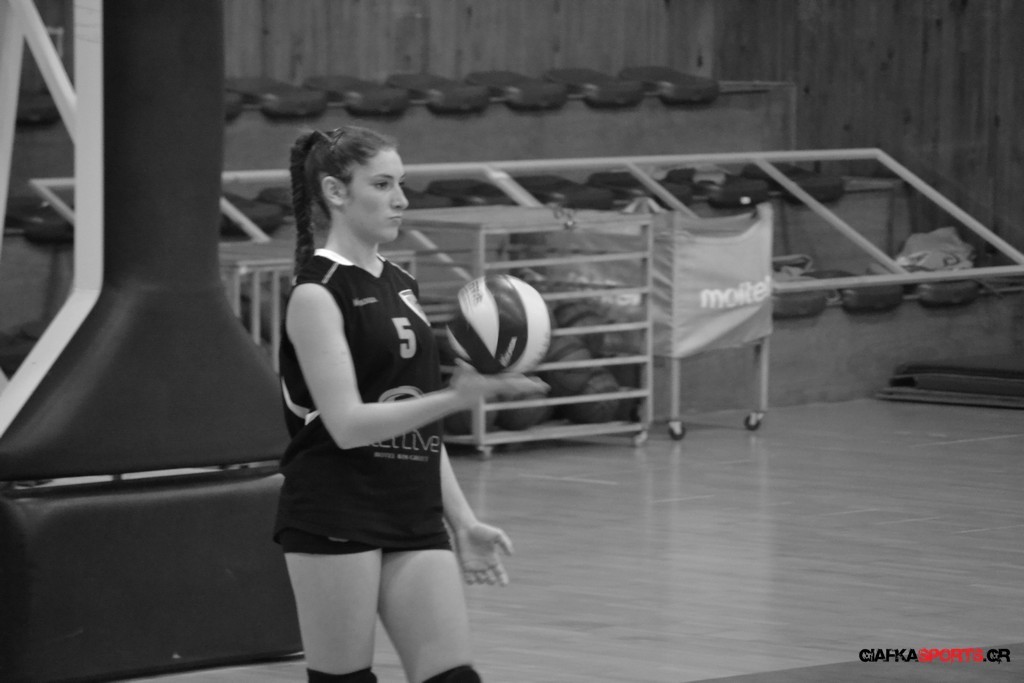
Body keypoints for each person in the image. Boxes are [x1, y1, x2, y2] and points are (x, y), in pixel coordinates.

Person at [274, 125, 547, 683]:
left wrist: (463, 521)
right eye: (382, 184)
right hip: (338, 509)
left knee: (453, 677)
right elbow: (347, 425)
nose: (401, 199)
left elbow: (420, 423)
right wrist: (454, 397)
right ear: (335, 191)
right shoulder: (316, 293)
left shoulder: (401, 282)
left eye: (402, 183)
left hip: (412, 508)